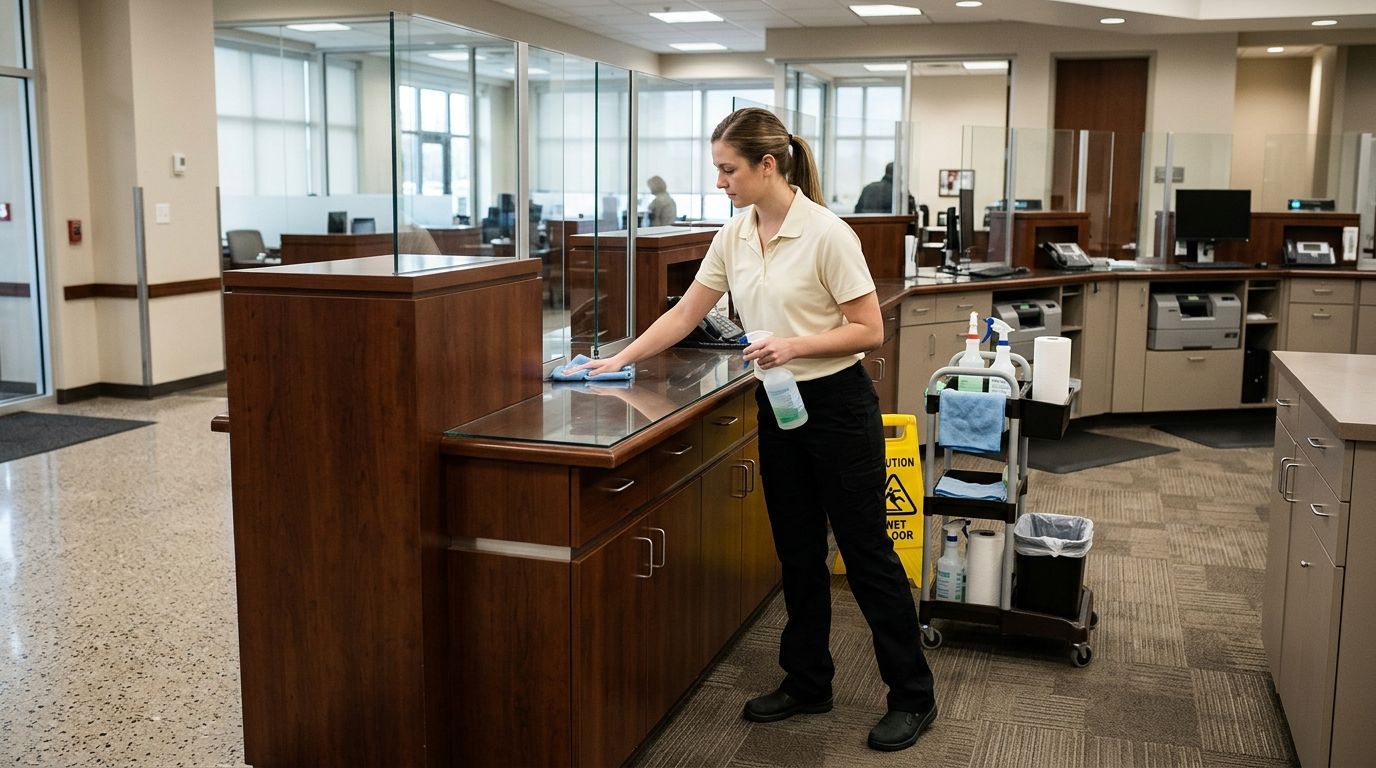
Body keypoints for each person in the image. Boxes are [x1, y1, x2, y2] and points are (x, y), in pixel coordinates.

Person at [569, 107, 938, 752]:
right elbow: (688, 311)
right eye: (717, 169)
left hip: (839, 407)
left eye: (728, 169)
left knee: (866, 553)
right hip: (780, 403)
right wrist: (620, 359)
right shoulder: (735, 234)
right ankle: (807, 681)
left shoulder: (828, 234)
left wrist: (795, 345)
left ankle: (913, 696)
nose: (721, 182)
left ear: (768, 164)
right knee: (795, 550)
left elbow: (868, 329)